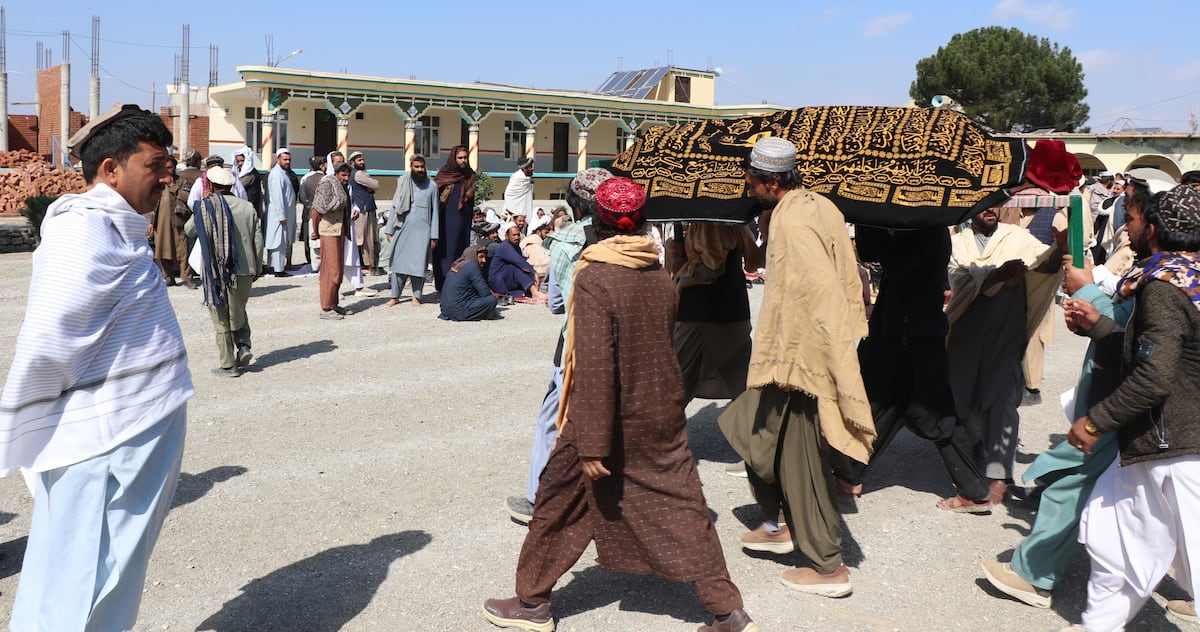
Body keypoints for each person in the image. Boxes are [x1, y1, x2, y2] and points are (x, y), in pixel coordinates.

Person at [483, 177, 758, 632]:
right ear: (642, 223)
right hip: (661, 408)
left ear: (598, 223)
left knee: (554, 504)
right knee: (684, 507)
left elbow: (595, 365)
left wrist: (591, 443)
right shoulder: (658, 275)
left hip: (606, 420)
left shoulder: (596, 277)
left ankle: (532, 605)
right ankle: (726, 608)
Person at [0, 104, 194, 631]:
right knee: (86, 574)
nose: (167, 175)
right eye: (155, 164)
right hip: (102, 442)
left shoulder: (117, 228)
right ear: (110, 169)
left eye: (169, 163)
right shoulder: (81, 232)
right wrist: (23, 418)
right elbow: (47, 338)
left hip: (131, 431)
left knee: (110, 571)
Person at [717, 137, 874, 597]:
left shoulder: (796, 220)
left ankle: (828, 567)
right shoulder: (815, 205)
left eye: (750, 180)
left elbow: (816, 292)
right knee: (749, 431)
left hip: (801, 360)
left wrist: (808, 363)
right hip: (796, 355)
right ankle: (777, 522)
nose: (747, 186)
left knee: (799, 460)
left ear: (769, 181)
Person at [1063, 184, 1200, 630]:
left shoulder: (1165, 285)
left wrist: (1096, 420)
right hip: (1160, 449)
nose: (1128, 226)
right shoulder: (1187, 277)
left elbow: (1157, 374)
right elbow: (1167, 353)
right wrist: (1102, 327)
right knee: (1114, 550)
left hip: (1177, 451)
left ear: (1155, 229)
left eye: (1135, 219)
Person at [831, 226, 992, 512]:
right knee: (885, 405)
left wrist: (881, 227)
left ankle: (973, 491)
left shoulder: (930, 227)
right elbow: (869, 254)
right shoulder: (904, 225)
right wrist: (870, 221)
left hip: (917, 333)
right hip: (896, 330)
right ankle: (850, 475)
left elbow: (896, 265)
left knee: (934, 412)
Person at [504, 167, 611, 524]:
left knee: (553, 418)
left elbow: (555, 305)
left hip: (577, 343)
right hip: (618, 344)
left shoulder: (567, 240)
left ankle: (539, 497)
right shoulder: (629, 235)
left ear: (576, 205)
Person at [946, 204, 1063, 503]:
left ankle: (999, 475)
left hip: (1005, 333)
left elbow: (1042, 265)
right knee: (968, 400)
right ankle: (975, 466)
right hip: (966, 334)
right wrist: (996, 275)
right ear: (971, 209)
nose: (991, 210)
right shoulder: (957, 243)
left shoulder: (1017, 237)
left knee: (1002, 403)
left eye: (996, 204)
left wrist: (1058, 249)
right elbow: (956, 280)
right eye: (985, 205)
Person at [185, 166, 263, 377]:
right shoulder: (247, 207)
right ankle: (244, 345)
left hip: (216, 271)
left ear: (209, 185)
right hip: (245, 269)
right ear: (231, 185)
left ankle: (228, 364)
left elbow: (189, 230)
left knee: (220, 315)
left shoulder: (205, 206)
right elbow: (257, 239)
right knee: (238, 309)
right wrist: (258, 266)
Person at [385, 154, 439, 307]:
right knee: (398, 263)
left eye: (422, 167)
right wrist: (389, 229)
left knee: (419, 265)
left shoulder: (432, 186)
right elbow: (395, 206)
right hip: (402, 228)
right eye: (417, 167)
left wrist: (434, 235)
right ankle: (395, 296)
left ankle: (417, 297)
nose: (420, 170)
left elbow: (435, 212)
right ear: (411, 167)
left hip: (423, 232)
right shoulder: (403, 182)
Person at [432, 145, 477, 292]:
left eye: (465, 158)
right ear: (454, 158)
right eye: (460, 158)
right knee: (445, 252)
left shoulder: (469, 175)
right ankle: (443, 285)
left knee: (460, 251)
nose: (463, 161)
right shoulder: (445, 174)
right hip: (445, 221)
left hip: (463, 221)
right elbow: (434, 198)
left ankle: (458, 284)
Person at [312, 162, 353, 320]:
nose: (346, 178)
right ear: (336, 174)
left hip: (340, 231)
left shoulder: (342, 187)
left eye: (348, 175)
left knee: (338, 271)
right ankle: (325, 308)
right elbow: (316, 210)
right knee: (332, 271)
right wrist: (315, 231)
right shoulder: (327, 185)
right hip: (328, 232)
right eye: (343, 175)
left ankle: (333, 304)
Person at [152, 153, 197, 289]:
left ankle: (187, 278)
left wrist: (172, 185)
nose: (167, 170)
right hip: (161, 222)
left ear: (174, 168)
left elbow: (187, 197)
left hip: (178, 220)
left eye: (170, 167)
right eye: (165, 167)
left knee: (183, 251)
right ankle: (168, 277)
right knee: (163, 250)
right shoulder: (156, 182)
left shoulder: (182, 181)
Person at [438, 243, 500, 322]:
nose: (484, 260)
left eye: (485, 257)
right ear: (473, 255)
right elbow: (484, 293)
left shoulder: (456, 265)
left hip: (445, 311)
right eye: (481, 257)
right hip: (458, 312)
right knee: (492, 300)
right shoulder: (472, 266)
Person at [489, 223, 547, 302]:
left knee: (524, 268)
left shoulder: (516, 247)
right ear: (507, 236)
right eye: (514, 235)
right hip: (498, 280)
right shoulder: (504, 247)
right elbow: (519, 261)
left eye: (518, 235)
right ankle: (534, 292)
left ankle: (533, 290)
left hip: (508, 278)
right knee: (516, 267)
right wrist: (534, 272)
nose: (517, 237)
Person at [348, 150, 383, 276]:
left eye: (362, 160)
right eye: (359, 160)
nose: (362, 162)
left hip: (364, 208)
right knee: (366, 239)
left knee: (366, 238)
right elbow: (376, 184)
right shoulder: (358, 174)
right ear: (352, 163)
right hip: (363, 210)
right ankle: (368, 265)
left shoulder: (358, 174)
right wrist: (370, 187)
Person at [265, 148, 298, 277]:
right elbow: (277, 197)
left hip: (283, 215)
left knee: (279, 241)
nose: (287, 162)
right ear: (277, 159)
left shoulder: (283, 173)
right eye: (285, 159)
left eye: (289, 160)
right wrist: (281, 215)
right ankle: (278, 269)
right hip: (279, 216)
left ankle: (273, 266)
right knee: (278, 242)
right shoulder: (277, 174)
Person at [298, 154, 326, 269]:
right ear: (322, 166)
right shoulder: (326, 178)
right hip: (324, 214)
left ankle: (314, 265)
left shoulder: (305, 178)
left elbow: (303, 197)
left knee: (312, 240)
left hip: (310, 212)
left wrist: (309, 205)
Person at [232, 145, 263, 218]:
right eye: (238, 161)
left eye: (242, 161)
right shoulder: (239, 173)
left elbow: (239, 185)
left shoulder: (251, 174)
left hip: (250, 208)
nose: (240, 163)